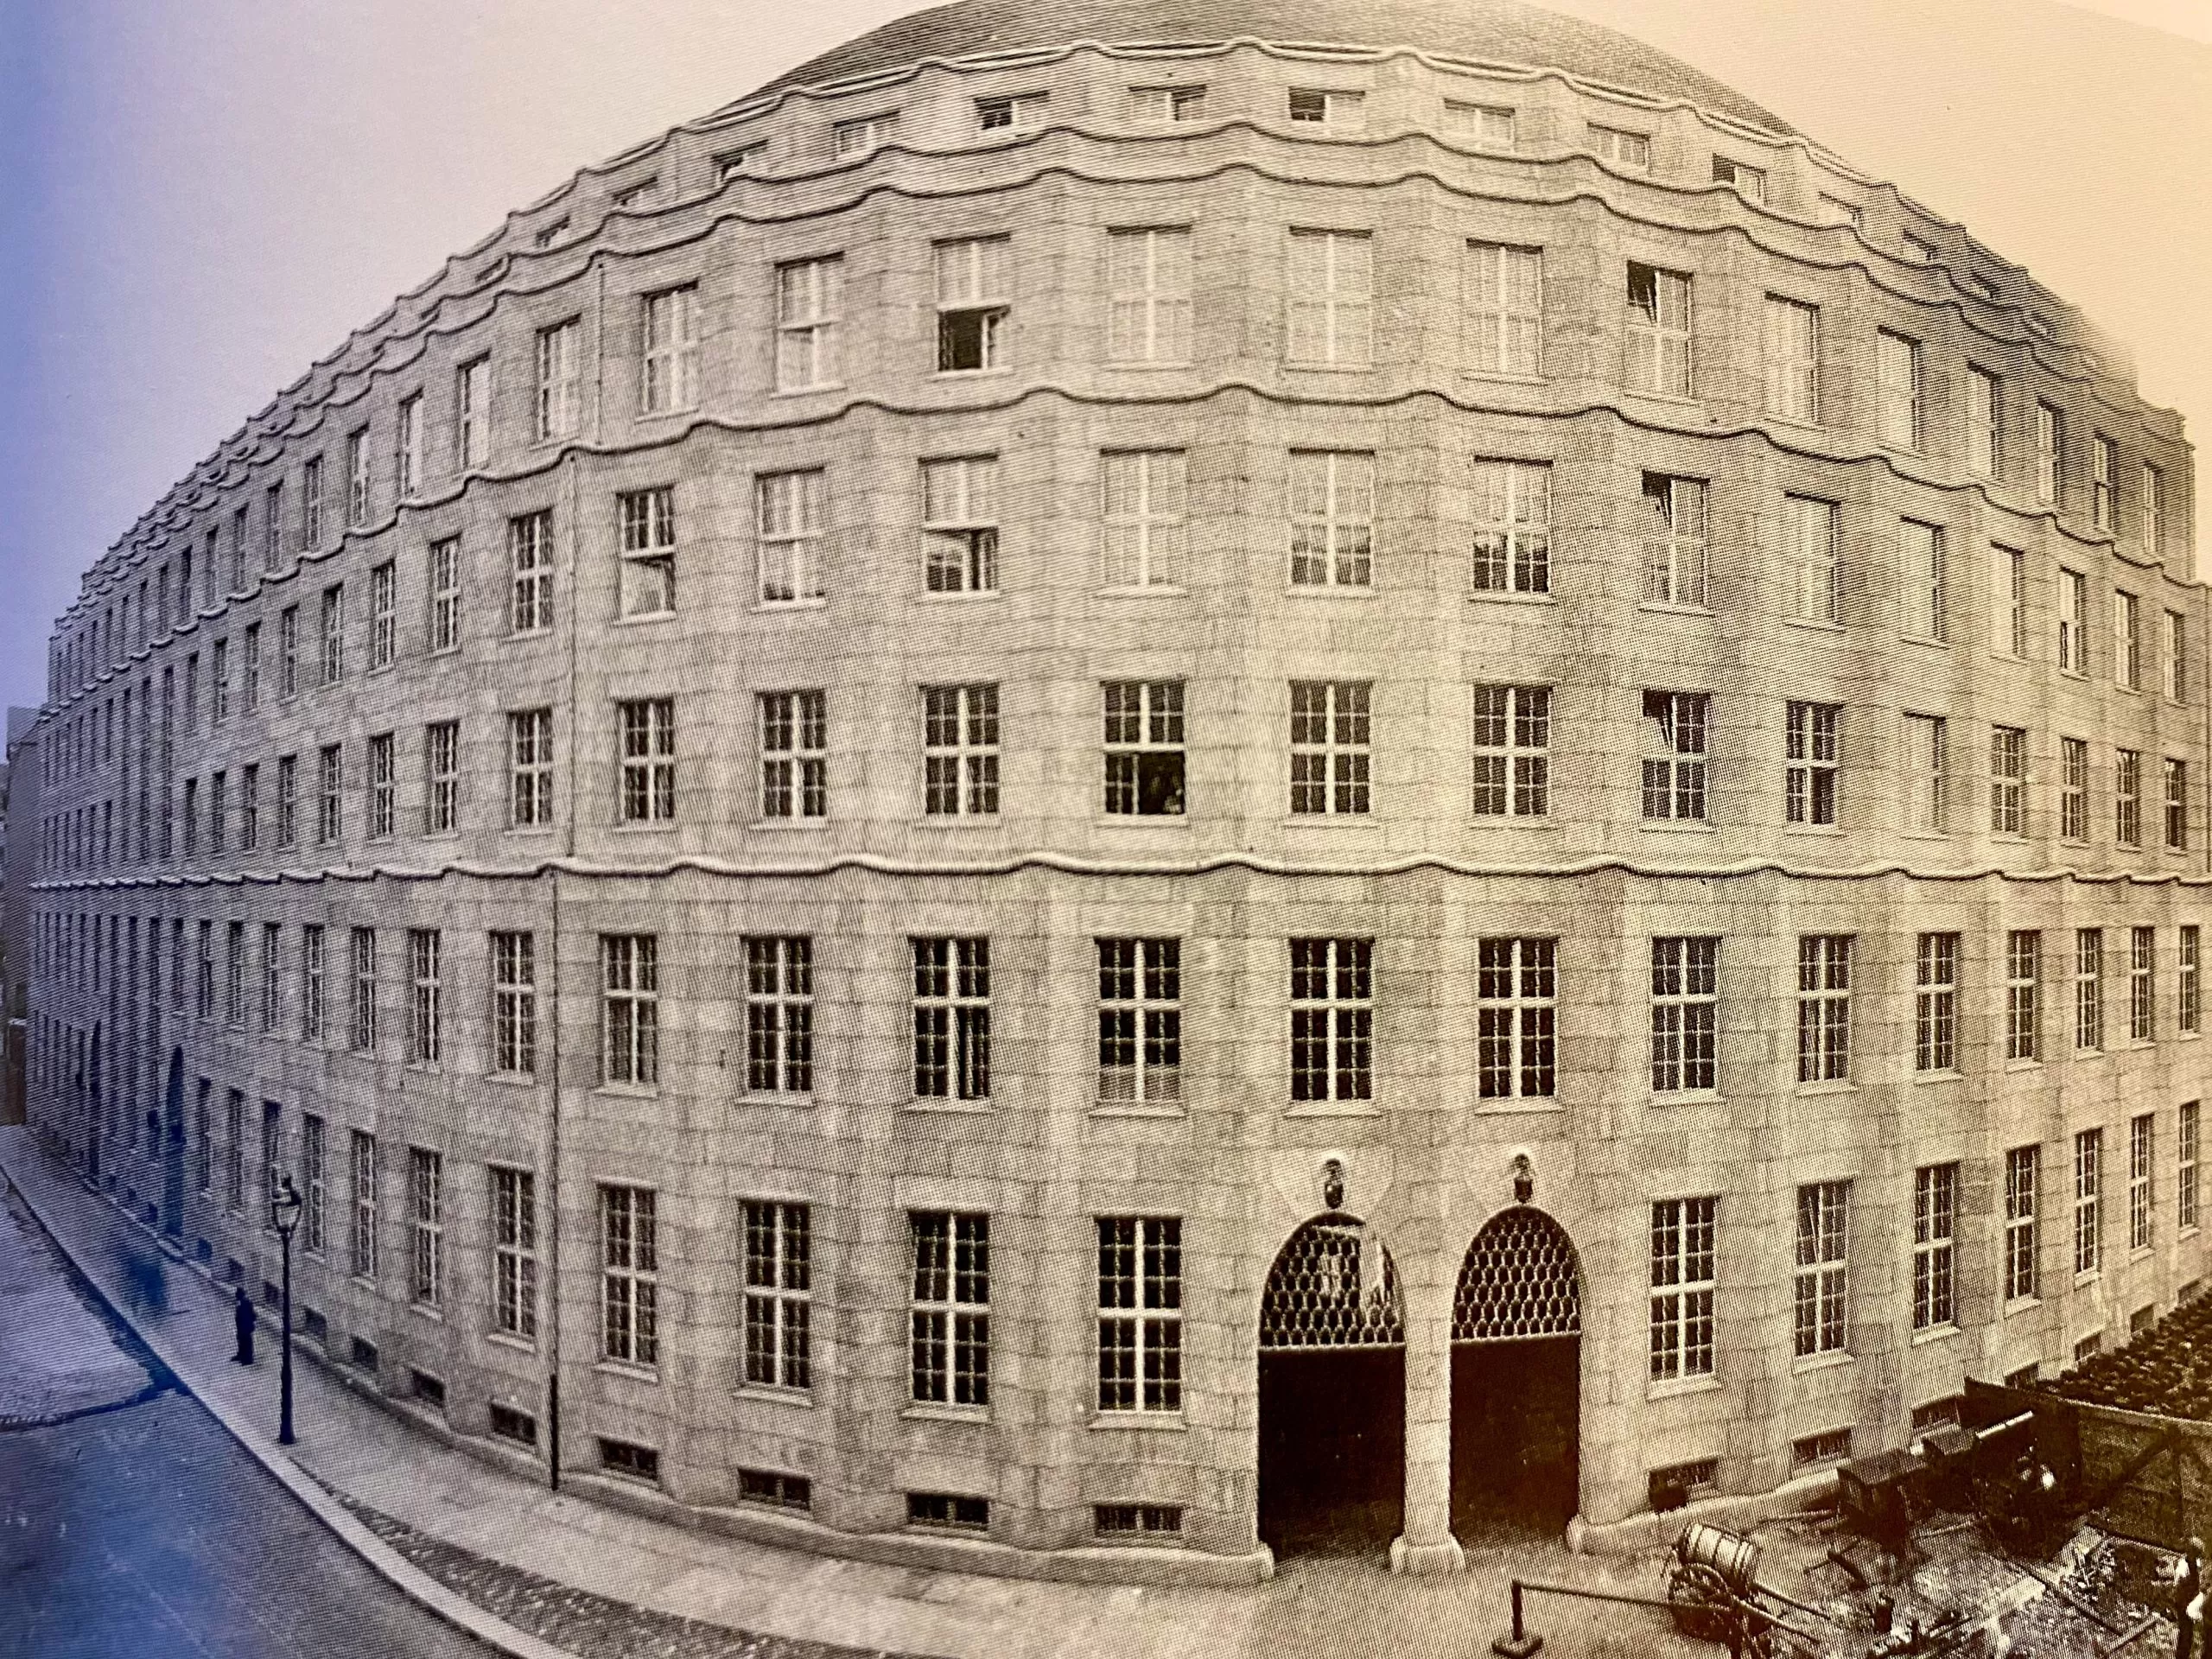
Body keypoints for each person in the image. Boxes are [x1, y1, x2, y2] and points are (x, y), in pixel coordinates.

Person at [2177, 1535, 2205, 1659]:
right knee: (2185, 1633)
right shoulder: (2183, 1568)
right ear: (2190, 1552)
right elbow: (2179, 1586)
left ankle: (2186, 1653)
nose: (2197, 1558)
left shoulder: (2196, 1563)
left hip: (2192, 1600)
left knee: (2190, 1634)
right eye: (2195, 1554)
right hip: (2183, 1602)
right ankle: (2181, 1656)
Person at [232, 1284, 257, 1365]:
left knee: (247, 1342)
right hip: (242, 1326)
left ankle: (248, 1359)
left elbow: (251, 1315)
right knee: (241, 1340)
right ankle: (241, 1355)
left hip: (245, 1326)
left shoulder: (245, 1303)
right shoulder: (240, 1303)